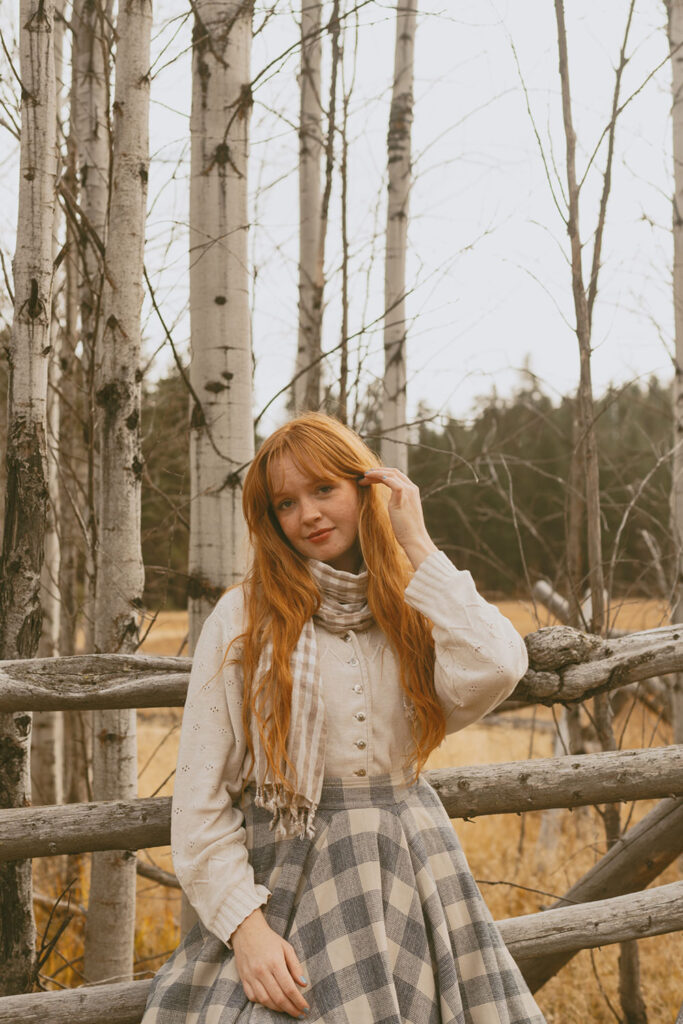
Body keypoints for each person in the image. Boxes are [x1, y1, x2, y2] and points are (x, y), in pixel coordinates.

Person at [142, 412, 547, 1024]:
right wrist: (247, 932)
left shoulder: (410, 603)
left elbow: (497, 665)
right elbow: (199, 805)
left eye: (324, 489)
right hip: (288, 881)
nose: (308, 514)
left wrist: (417, 543)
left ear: (365, 488)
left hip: (416, 869)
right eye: (286, 502)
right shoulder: (243, 618)